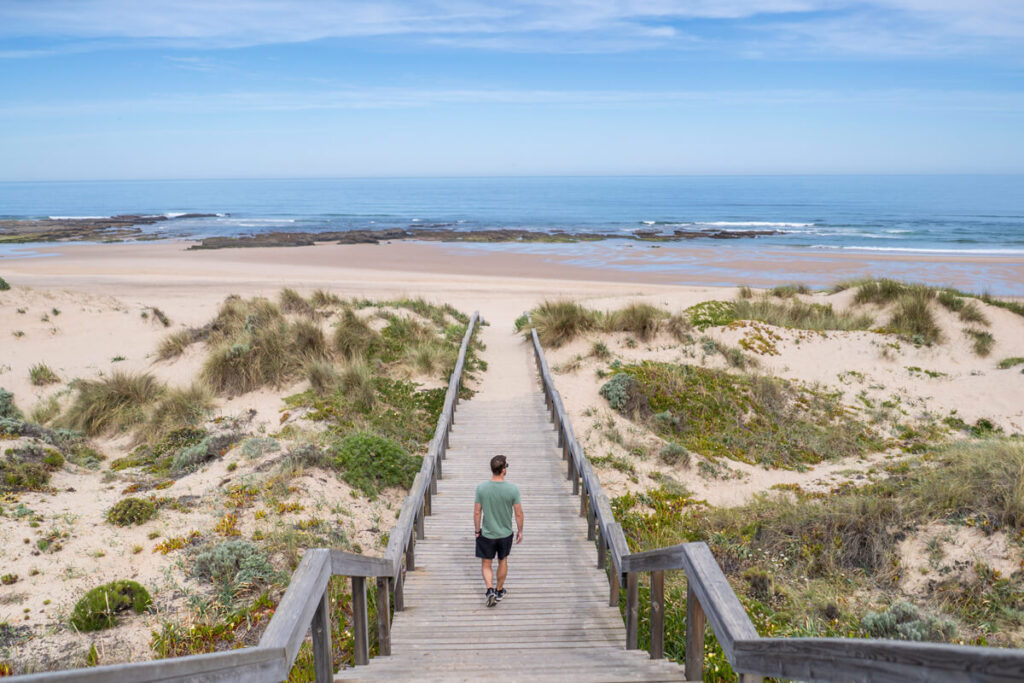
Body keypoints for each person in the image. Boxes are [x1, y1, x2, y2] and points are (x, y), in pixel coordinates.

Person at [474, 454, 523, 607]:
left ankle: (489, 590)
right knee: (503, 560)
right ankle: (499, 590)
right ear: (503, 470)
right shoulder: (512, 489)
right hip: (505, 533)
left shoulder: (481, 488)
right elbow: (518, 513)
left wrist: (477, 531)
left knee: (486, 564)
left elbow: (477, 512)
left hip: (487, 533)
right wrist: (520, 530)